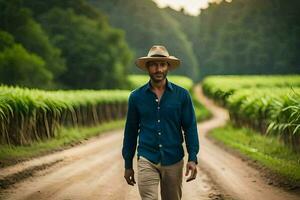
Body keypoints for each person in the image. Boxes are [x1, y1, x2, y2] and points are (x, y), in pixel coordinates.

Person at [122, 45, 200, 200]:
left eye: (162, 64)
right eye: (153, 65)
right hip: (146, 157)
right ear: (147, 68)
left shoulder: (182, 95)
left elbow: (190, 127)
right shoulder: (136, 97)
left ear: (168, 67)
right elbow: (130, 131)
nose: (158, 69)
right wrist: (128, 165)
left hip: (174, 159)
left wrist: (192, 157)